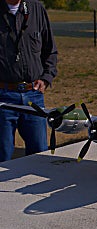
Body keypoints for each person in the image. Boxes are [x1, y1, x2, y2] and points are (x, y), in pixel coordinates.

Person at [0, 0, 57, 162]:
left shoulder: (36, 9)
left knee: (39, 153)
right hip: (3, 99)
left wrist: (46, 78)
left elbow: (50, 51)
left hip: (34, 96)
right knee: (3, 154)